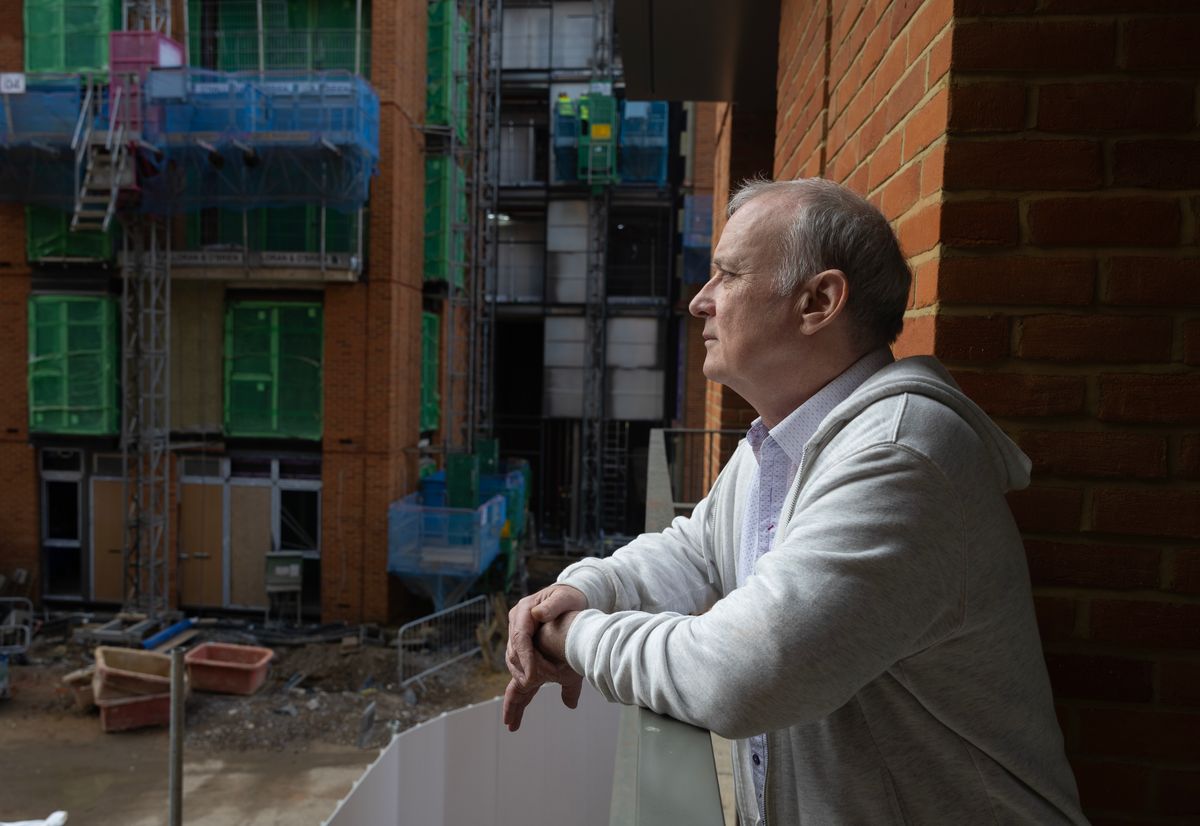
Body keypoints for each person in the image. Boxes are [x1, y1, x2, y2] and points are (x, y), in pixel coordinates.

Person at [504, 178, 1088, 825]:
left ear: (818, 301)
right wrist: (584, 589)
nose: (700, 302)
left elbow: (740, 676)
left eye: (726, 275)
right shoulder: (778, 446)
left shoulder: (899, 458)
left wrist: (574, 637)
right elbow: (694, 552)